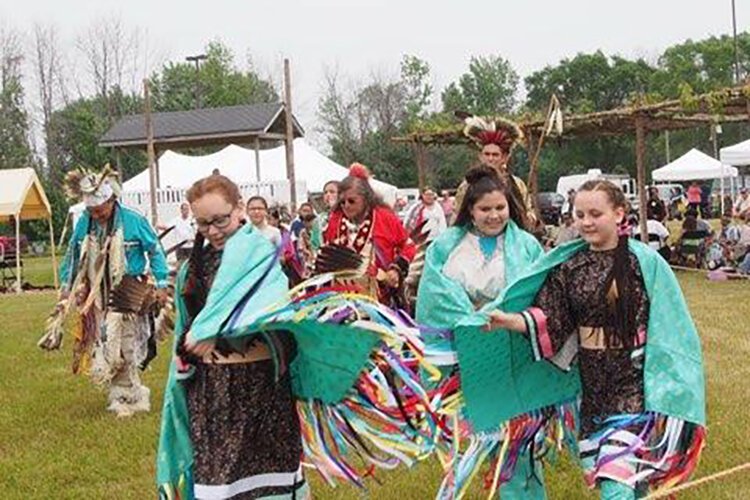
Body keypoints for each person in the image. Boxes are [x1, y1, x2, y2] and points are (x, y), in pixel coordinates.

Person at [486, 180, 706, 499]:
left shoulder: (641, 263)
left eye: (595, 213)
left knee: (615, 484)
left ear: (618, 214)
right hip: (592, 395)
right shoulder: (569, 267)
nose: (586, 221)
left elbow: (671, 323)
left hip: (635, 390)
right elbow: (551, 318)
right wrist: (510, 320)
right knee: (629, 482)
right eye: (579, 214)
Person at [157, 175, 309, 499]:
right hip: (213, 398)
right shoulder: (191, 270)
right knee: (218, 483)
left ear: (239, 208)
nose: (212, 231)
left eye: (220, 220)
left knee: (271, 484)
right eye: (202, 224)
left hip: (263, 395)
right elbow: (186, 329)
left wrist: (218, 330)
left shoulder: (265, 260)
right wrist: (189, 349)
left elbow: (282, 320)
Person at [416, 167, 562, 498]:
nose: (494, 215)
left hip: (514, 351)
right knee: (480, 431)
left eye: (500, 208)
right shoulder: (445, 247)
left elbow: (542, 292)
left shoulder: (526, 246)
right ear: (470, 210)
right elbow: (434, 296)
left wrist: (508, 315)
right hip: (467, 352)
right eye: (485, 209)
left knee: (518, 435)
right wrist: (471, 317)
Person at [47, 165, 169, 417]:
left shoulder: (134, 220)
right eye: (91, 210)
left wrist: (161, 283)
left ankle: (128, 393)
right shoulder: (84, 223)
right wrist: (66, 288)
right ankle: (123, 391)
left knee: (125, 341)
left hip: (129, 288)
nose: (97, 214)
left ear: (112, 200)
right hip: (97, 292)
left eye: (100, 210)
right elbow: (73, 256)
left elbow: (155, 250)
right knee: (104, 339)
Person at [323, 163, 416, 304]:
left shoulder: (384, 217)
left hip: (380, 300)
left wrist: (396, 270)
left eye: (351, 201)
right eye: (342, 202)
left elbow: (408, 246)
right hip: (342, 301)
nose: (346, 206)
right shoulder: (335, 220)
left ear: (366, 198)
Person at [452, 114, 536, 230]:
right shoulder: (468, 185)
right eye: (487, 154)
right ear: (480, 156)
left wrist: (529, 218)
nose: (490, 159)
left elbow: (528, 211)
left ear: (505, 157)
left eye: (495, 155)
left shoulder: (517, 184)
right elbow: (457, 215)